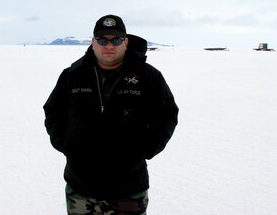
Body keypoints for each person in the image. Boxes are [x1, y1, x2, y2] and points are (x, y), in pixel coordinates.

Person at [44, 15, 178, 214]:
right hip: (80, 188)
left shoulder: (148, 77)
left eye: (116, 40)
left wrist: (146, 149)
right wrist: (66, 144)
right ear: (93, 42)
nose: (109, 45)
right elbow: (53, 112)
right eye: (102, 40)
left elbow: (167, 115)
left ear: (126, 42)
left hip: (129, 189)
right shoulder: (72, 75)